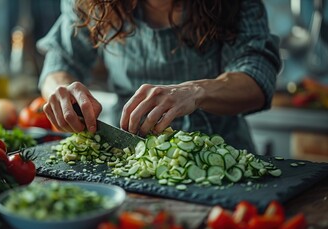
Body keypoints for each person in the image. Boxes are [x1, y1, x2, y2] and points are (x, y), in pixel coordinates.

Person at [37, 0, 281, 153]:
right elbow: (60, 60)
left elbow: (258, 75)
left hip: (224, 153)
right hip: (125, 154)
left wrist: (197, 91)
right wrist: (62, 90)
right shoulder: (91, 3)